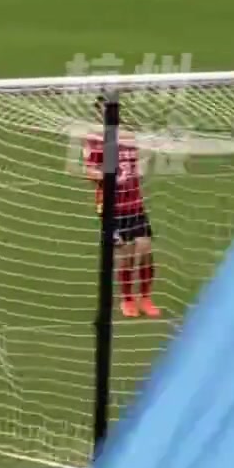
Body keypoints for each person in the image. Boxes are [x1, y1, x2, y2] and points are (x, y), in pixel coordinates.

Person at [83, 106, 160, 320]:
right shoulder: (95, 140)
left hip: (135, 203)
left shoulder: (129, 137)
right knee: (127, 254)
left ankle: (146, 297)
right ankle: (127, 299)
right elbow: (89, 171)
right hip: (113, 208)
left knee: (145, 251)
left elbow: (139, 165)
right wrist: (108, 176)